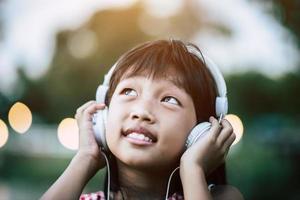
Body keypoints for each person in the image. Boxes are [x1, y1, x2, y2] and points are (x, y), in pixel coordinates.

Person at [41, 39, 243, 200]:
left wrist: (193, 168)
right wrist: (86, 157)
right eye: (129, 91)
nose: (142, 111)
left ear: (201, 131)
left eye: (169, 99)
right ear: (104, 116)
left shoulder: (221, 197)